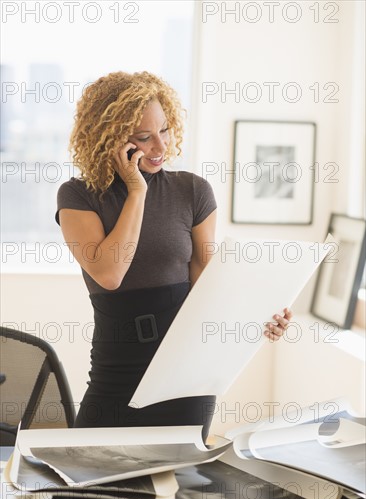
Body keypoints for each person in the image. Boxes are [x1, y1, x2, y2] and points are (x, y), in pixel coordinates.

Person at [55, 71, 292, 441]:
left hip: (187, 377)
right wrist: (137, 191)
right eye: (143, 138)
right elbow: (110, 273)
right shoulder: (78, 196)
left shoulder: (193, 191)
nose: (160, 147)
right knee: (87, 493)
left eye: (164, 130)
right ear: (111, 140)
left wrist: (259, 321)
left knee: (175, 492)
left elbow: (208, 290)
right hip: (116, 376)